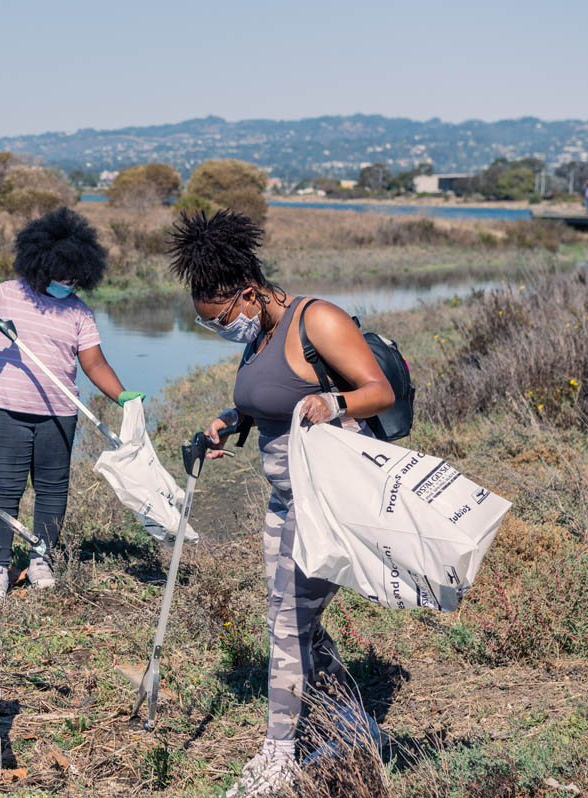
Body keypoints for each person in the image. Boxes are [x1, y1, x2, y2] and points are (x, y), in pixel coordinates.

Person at [167, 211, 395, 796]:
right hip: (283, 498)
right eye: (206, 322)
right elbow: (263, 395)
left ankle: (278, 757)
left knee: (288, 626)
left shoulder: (313, 318)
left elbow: (378, 391)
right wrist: (227, 420)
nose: (220, 328)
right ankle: (351, 721)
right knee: (292, 622)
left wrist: (336, 404)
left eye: (221, 318)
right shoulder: (262, 332)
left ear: (248, 293)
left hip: (326, 502)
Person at [0, 207, 143, 601]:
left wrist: (121, 396)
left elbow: (94, 363)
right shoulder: (8, 294)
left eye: (74, 279)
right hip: (7, 411)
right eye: (60, 276)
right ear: (40, 264)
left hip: (59, 414)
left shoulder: (78, 312)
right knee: (4, 489)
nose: (66, 284)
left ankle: (41, 557)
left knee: (53, 489)